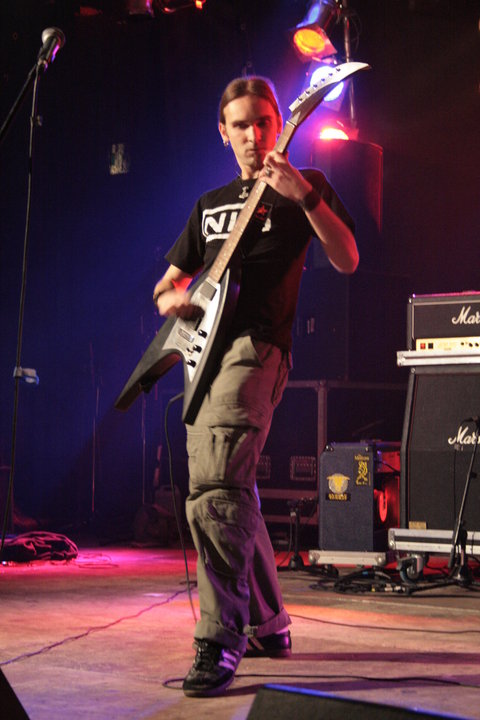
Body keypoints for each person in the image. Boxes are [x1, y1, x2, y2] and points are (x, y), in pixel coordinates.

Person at [152, 76, 358, 698]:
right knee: (229, 488)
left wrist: (305, 196)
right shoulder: (209, 204)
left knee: (215, 488)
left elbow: (348, 257)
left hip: (258, 347)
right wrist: (174, 300)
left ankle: (220, 637)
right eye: (240, 124)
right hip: (203, 358)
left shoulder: (305, 185)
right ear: (223, 132)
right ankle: (269, 624)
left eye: (263, 122)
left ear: (280, 124)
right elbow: (165, 286)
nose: (253, 134)